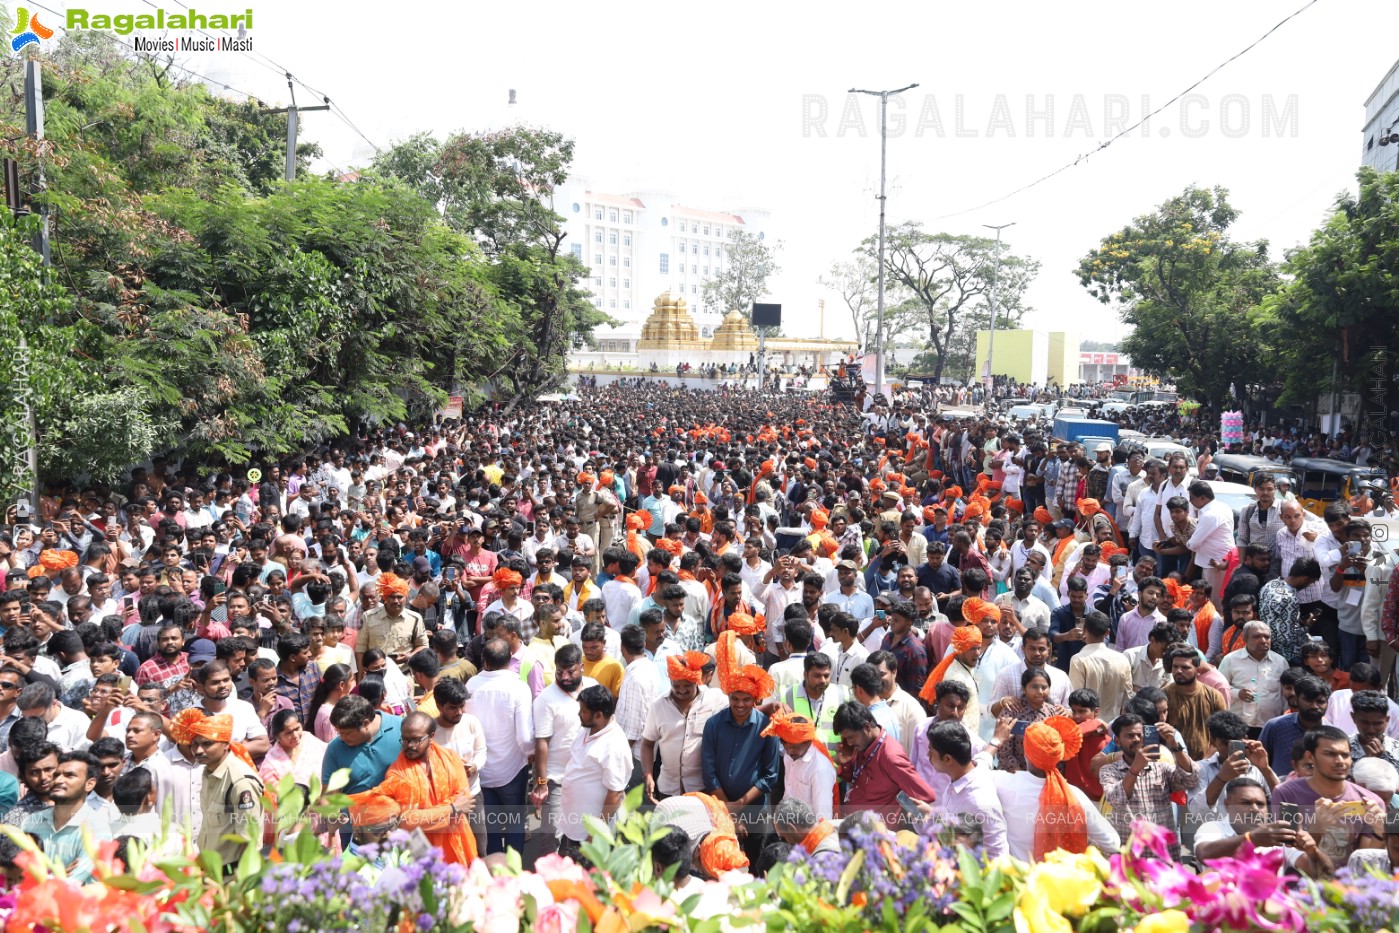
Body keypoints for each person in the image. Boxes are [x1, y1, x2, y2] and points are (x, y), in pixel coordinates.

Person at [355, 711, 476, 865]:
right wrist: (451, 808)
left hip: (459, 842)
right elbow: (406, 821)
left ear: (431, 736)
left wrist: (426, 815)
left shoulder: (451, 758)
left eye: (417, 740)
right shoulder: (396, 774)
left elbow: (465, 802)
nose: (410, 745)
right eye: (405, 740)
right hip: (422, 852)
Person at [995, 716, 1120, 862]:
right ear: (1059, 755)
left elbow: (972, 774)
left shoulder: (1002, 783)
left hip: (1017, 881)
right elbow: (1113, 843)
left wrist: (996, 741)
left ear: (1026, 754)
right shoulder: (1074, 795)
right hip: (1059, 881)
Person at [1271, 725, 1387, 866]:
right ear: (1310, 757)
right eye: (1330, 754)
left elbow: (1364, 864)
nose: (1340, 761)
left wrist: (1380, 833)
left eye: (1345, 755)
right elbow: (1290, 855)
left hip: (1350, 884)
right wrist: (1317, 830)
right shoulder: (1287, 793)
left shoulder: (1371, 801)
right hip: (1304, 882)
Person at [1098, 713, 1198, 858]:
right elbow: (1117, 799)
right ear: (1118, 742)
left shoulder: (1162, 768)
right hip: (1129, 856)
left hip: (1163, 855)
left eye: (1140, 735)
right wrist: (1134, 770)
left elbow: (1191, 780)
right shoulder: (1109, 770)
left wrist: (1175, 746)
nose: (1136, 739)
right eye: (1130, 736)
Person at [468, 637, 534, 856]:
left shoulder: (471, 685)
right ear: (510, 659)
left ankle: (495, 874)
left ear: (484, 660)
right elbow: (525, 738)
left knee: (491, 826)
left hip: (481, 771)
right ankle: (514, 874)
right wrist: (531, 755)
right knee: (515, 822)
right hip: (512, 770)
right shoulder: (518, 687)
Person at [529, 643, 595, 854]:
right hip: (556, 780)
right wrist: (541, 783)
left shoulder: (593, 687)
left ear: (581, 667)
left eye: (570, 671)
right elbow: (542, 743)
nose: (565, 677)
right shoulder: (545, 700)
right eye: (560, 672)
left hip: (587, 776)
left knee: (585, 834)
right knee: (552, 835)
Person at [1194, 777, 1331, 875]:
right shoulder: (1212, 828)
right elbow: (1204, 854)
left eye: (1260, 804)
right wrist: (1252, 839)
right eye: (1246, 803)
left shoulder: (1278, 836)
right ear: (1228, 805)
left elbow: (1324, 876)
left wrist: (1312, 851)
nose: (1255, 809)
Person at [556, 685, 632, 860]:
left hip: (591, 835)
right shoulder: (586, 728)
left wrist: (595, 834)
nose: (578, 714)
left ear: (598, 715)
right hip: (573, 824)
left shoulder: (614, 745)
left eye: (583, 711)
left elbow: (615, 793)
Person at [833, 700, 935, 830]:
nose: (849, 743)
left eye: (851, 737)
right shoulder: (863, 744)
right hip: (854, 829)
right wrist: (846, 763)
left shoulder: (890, 757)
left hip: (876, 838)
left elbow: (925, 795)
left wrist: (903, 820)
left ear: (867, 727)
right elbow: (856, 779)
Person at [641, 651, 727, 802]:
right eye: (676, 685)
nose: (681, 690)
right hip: (667, 790)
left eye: (687, 686)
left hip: (702, 789)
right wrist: (648, 775)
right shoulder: (658, 706)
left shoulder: (714, 699)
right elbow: (647, 744)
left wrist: (770, 707)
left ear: (696, 681)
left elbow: (739, 710)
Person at [183, 711, 263, 872]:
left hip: (232, 879)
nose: (198, 751)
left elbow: (250, 841)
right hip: (211, 875)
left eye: (207, 744)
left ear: (226, 744)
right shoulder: (208, 772)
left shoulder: (240, 782)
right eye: (194, 744)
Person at [924, 719, 1008, 857]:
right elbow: (986, 756)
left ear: (948, 759)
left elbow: (998, 854)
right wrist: (997, 740)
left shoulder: (979, 802)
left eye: (931, 752)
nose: (928, 756)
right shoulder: (975, 767)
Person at [1188, 710, 1280, 826]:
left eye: (1237, 743)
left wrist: (1266, 769)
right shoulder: (1200, 768)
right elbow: (1197, 811)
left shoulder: (1256, 768)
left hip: (1254, 836)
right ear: (1213, 741)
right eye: (1226, 744)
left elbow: (1283, 801)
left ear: (1245, 739)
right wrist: (1221, 778)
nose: (1230, 749)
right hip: (1217, 838)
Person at [763, 709, 838, 820]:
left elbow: (823, 817)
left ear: (807, 741)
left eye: (794, 747)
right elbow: (788, 794)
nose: (789, 752)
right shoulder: (789, 757)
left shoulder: (820, 770)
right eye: (786, 746)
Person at [321, 695, 404, 795]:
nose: (342, 738)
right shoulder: (335, 748)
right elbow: (329, 795)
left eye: (347, 733)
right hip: (355, 809)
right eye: (339, 733)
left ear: (365, 723)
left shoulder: (402, 729)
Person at [1217, 621, 1287, 736]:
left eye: (1267, 637)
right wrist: (1237, 693)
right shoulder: (1231, 660)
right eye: (1257, 637)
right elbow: (1217, 690)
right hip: (1238, 725)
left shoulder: (1280, 662)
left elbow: (1285, 695)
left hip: (1269, 727)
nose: (1263, 641)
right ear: (1245, 639)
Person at [1259, 674, 1331, 777]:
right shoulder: (1275, 726)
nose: (1315, 706)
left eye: (1320, 702)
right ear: (1296, 700)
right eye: (1308, 700)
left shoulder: (1332, 734)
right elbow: (1260, 761)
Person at [1163, 645, 1228, 759]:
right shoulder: (1164, 695)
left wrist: (1205, 761)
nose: (1178, 671)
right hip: (1173, 763)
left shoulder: (1214, 696)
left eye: (1185, 667)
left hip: (1207, 763)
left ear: (1198, 671)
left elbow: (1222, 734)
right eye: (1175, 667)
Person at [1068, 611, 1132, 721]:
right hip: (1115, 726)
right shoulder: (1122, 659)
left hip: (1087, 727)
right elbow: (1128, 697)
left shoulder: (1078, 660)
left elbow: (1075, 698)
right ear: (1107, 632)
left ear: (1084, 630)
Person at [772, 797, 840, 856]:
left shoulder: (822, 858)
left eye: (783, 838)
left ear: (791, 828)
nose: (786, 843)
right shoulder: (836, 831)